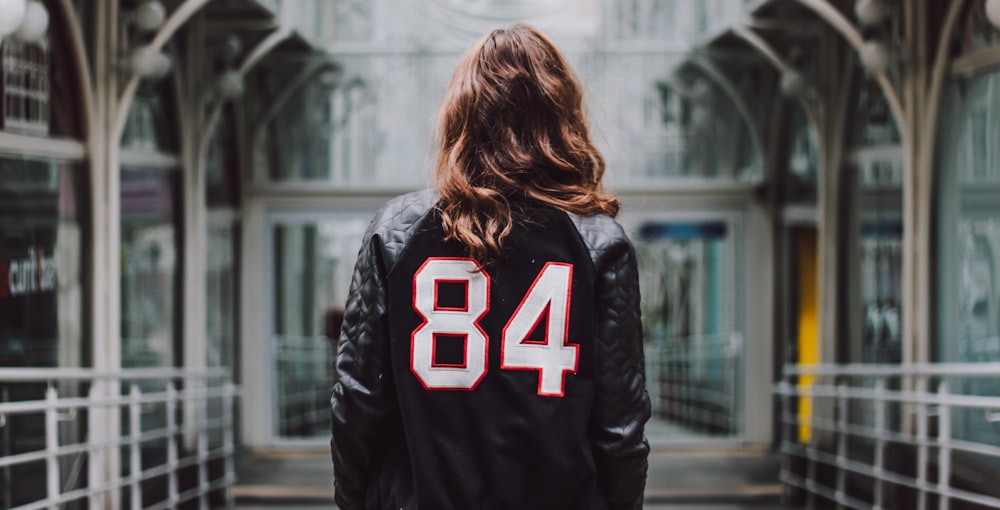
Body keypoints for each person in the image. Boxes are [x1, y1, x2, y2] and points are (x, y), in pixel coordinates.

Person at [330, 23, 650, 510]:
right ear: (562, 117)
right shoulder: (598, 241)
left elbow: (358, 400)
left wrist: (353, 501)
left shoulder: (395, 230)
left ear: (460, 116)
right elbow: (619, 428)